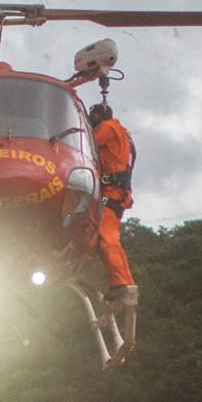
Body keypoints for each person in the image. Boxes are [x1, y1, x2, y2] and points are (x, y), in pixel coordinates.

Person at [88, 102, 136, 305]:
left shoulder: (108, 128)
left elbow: (88, 143)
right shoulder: (122, 131)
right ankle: (127, 283)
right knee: (113, 239)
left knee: (105, 237)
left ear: (98, 117)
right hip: (119, 192)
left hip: (113, 191)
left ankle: (119, 284)